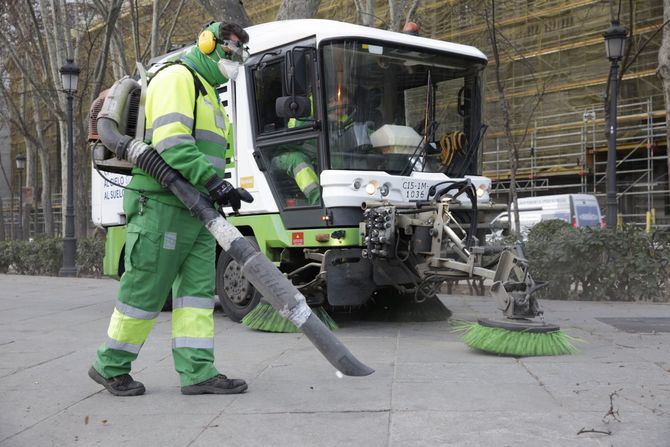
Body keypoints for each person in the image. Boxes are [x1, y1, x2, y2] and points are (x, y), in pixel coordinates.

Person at [88, 22, 251, 396]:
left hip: (196, 209)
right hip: (162, 202)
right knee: (145, 289)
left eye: (240, 56)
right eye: (230, 52)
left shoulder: (209, 91)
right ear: (207, 43)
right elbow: (173, 144)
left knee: (195, 295)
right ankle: (109, 366)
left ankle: (198, 372)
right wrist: (211, 182)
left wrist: (220, 188)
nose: (234, 62)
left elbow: (204, 150)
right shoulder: (179, 77)